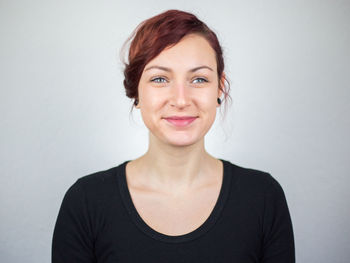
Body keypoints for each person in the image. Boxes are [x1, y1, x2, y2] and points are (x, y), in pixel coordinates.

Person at [52, 9, 295, 263]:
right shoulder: (85, 203)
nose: (181, 100)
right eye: (159, 79)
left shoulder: (263, 198)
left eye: (199, 79)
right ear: (136, 91)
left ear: (219, 88)